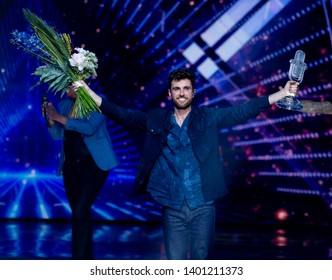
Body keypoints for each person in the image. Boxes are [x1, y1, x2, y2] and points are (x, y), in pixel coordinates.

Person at [74, 68, 299, 260]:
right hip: (173, 207)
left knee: (201, 265)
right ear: (170, 93)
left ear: (193, 92)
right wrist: (87, 92)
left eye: (186, 88)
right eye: (177, 89)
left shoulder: (207, 118)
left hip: (203, 206)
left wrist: (281, 93)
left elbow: (242, 111)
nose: (182, 93)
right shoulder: (157, 120)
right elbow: (121, 114)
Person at [42, 86, 118, 259]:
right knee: (81, 213)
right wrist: (50, 120)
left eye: (69, 84)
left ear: (80, 83)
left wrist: (59, 118)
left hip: (94, 165)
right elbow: (57, 135)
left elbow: (89, 128)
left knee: (79, 212)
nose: (66, 88)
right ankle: (86, 260)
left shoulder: (97, 100)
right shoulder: (64, 105)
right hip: (71, 166)